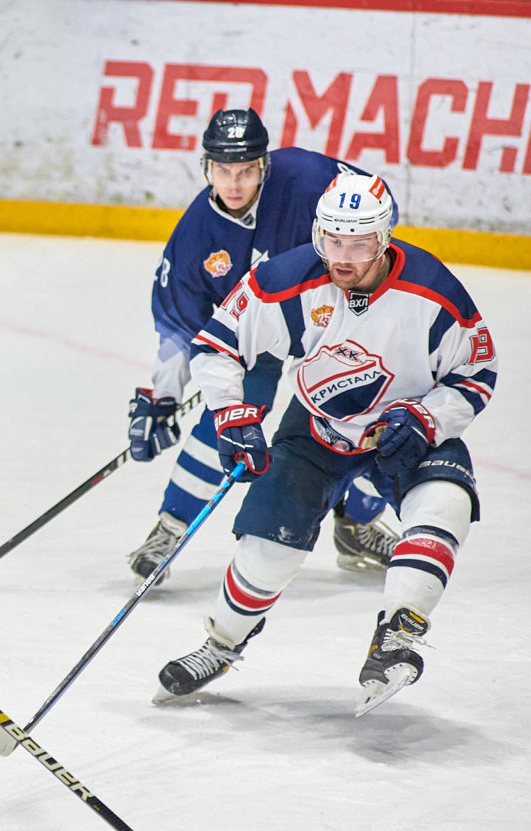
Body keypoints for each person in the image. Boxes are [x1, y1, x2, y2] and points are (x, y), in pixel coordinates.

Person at [154, 174, 496, 715]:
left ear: (384, 239)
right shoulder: (287, 279)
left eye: (358, 244)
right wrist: (233, 416)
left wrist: (429, 418)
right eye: (331, 240)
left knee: (446, 503)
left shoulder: (433, 292)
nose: (342, 257)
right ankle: (220, 646)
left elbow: (476, 371)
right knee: (267, 549)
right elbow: (216, 345)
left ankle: (397, 638)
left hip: (407, 429)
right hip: (316, 429)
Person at [127, 108, 399, 584]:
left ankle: (357, 522)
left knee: (352, 410)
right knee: (233, 411)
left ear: (264, 166)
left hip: (329, 314)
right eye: (223, 171)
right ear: (206, 167)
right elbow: (179, 327)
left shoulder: (306, 176)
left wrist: (355, 263)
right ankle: (169, 528)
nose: (234, 184)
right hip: (256, 332)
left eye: (247, 171)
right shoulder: (193, 237)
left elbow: (378, 204)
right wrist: (163, 396)